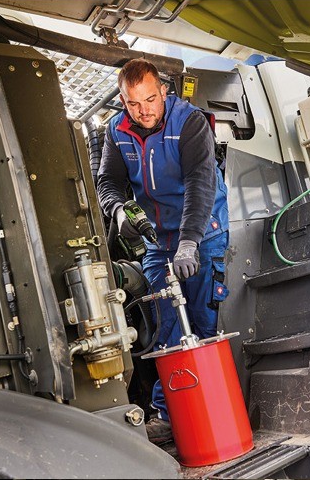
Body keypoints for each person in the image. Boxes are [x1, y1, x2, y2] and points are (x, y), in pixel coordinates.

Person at [97, 59, 229, 444]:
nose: (145, 110)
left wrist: (190, 241)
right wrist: (118, 208)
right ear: (124, 102)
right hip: (157, 241)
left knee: (203, 323)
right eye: (135, 103)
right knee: (166, 324)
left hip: (203, 232)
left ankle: (215, 410)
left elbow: (200, 184)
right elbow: (108, 181)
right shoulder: (115, 131)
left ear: (164, 92)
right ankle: (171, 416)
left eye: (151, 99)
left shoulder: (189, 123)